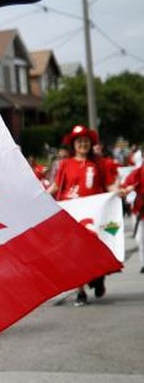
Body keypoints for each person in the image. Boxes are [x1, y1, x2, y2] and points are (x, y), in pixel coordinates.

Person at [48, 125, 119, 305]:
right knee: (75, 253)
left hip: (95, 213)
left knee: (96, 250)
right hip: (72, 214)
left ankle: (99, 277)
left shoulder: (99, 163)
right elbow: (56, 186)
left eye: (86, 141)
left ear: (90, 143)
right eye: (79, 141)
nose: (83, 144)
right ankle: (80, 292)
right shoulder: (65, 164)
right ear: (73, 145)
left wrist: (119, 192)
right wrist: (40, 196)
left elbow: (110, 185)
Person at [120, 165, 144, 273]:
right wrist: (127, 190)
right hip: (141, 211)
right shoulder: (137, 172)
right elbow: (124, 187)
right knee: (141, 239)